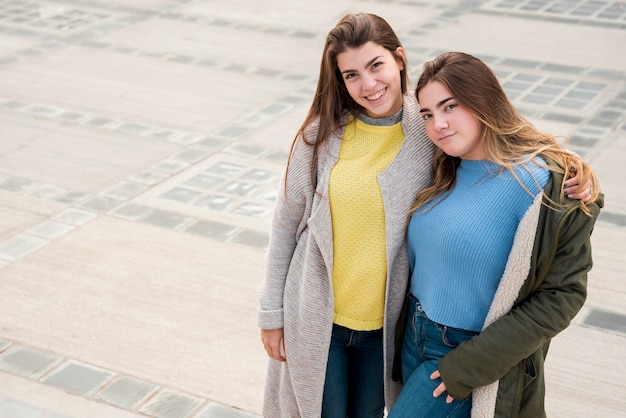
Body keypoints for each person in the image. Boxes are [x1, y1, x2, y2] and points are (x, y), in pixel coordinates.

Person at [258, 14, 592, 417]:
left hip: (385, 332)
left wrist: (576, 170)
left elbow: (498, 137)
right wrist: (271, 314)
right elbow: (286, 224)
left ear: (399, 59)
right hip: (317, 317)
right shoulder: (322, 134)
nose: (368, 84)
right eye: (351, 75)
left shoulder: (429, 132)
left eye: (375, 65)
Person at [388, 52, 603, 418]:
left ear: (482, 100)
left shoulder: (544, 185)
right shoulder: (441, 166)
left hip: (465, 354)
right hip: (413, 337)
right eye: (427, 114)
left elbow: (562, 296)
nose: (438, 124)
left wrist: (467, 367)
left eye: (449, 106)